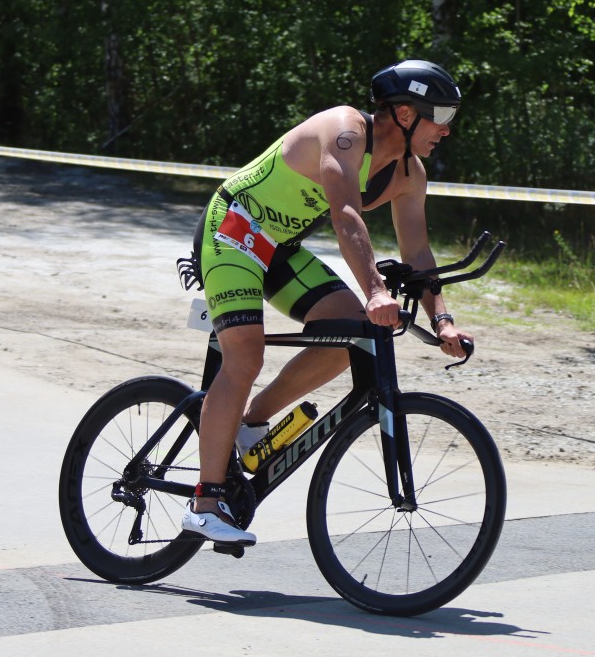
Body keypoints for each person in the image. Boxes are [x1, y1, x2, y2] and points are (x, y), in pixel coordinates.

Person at [177, 59, 474, 545]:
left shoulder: (409, 174)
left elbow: (418, 252)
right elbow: (346, 216)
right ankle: (205, 503)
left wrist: (442, 320)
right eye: (441, 115)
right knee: (245, 355)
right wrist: (375, 291)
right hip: (233, 230)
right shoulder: (344, 132)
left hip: (279, 249)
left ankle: (249, 424)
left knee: (350, 336)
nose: (447, 129)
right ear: (404, 113)